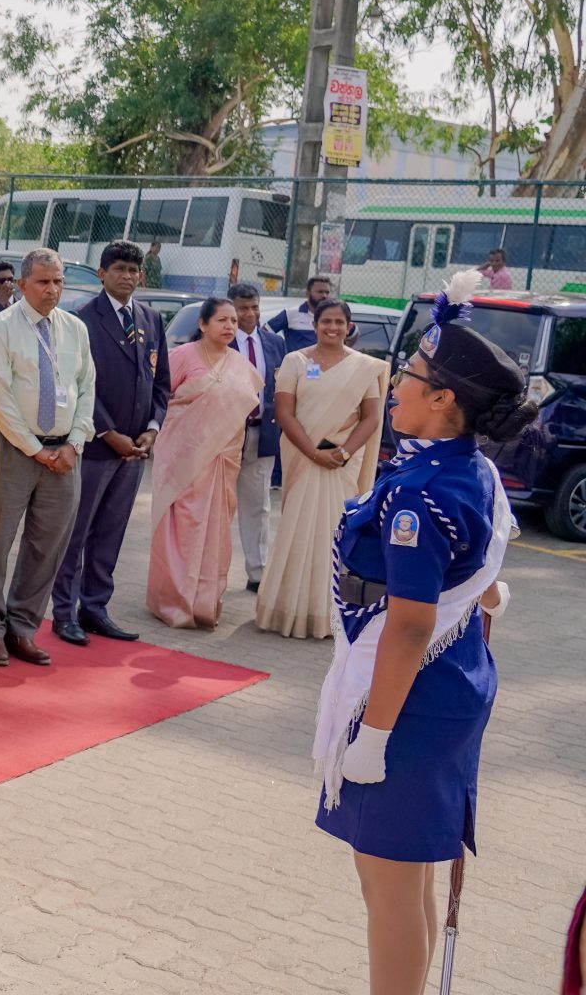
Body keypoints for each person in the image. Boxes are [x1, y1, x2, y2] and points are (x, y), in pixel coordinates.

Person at [312, 271, 530, 995]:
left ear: (444, 400)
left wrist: (373, 735)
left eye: (410, 373)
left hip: (409, 698)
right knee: (409, 871)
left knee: (389, 880)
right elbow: (475, 575)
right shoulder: (467, 470)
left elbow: (408, 625)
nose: (397, 382)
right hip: (450, 684)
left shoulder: (419, 490)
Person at [0, 248, 95, 668]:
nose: (52, 289)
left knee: (49, 544)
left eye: (58, 281)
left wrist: (74, 442)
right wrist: (35, 449)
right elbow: (0, 398)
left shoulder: (75, 329)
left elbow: (87, 388)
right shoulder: (0, 328)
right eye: (43, 282)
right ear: (21, 285)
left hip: (65, 452)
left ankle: (22, 627)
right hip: (13, 447)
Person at [50, 241, 169, 646]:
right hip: (96, 446)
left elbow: (161, 383)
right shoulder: (80, 319)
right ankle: (63, 611)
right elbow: (78, 382)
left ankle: (95, 607)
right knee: (76, 531)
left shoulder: (152, 319)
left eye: (134, 270)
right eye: (118, 268)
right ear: (101, 273)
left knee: (111, 532)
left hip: (135, 451)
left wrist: (152, 428)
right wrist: (108, 432)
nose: (127, 276)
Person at [257, 299, 387, 638]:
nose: (332, 327)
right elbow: (284, 413)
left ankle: (330, 615)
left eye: (339, 322)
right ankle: (286, 610)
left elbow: (371, 417)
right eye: (326, 321)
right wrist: (314, 453)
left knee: (335, 533)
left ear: (349, 326)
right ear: (314, 325)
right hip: (304, 458)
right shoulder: (296, 361)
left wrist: (344, 452)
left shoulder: (364, 366)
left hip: (342, 465)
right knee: (298, 531)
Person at [145, 297, 262, 630]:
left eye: (233, 322)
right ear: (202, 324)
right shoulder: (182, 356)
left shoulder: (239, 364)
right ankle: (173, 600)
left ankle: (205, 600)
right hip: (184, 460)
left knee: (215, 530)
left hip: (224, 460)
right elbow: (159, 399)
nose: (229, 327)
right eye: (221, 320)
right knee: (182, 527)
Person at [229, 283, 286, 593]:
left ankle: (257, 573)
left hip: (262, 434)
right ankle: (210, 571)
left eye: (254, 307)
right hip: (224, 436)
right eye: (242, 308)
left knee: (259, 505)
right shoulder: (219, 339)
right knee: (217, 506)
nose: (249, 314)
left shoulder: (275, 343)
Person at [268, 275, 335, 354]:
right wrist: (279, 354)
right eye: (320, 292)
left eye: (327, 292)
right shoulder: (291, 314)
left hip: (328, 365)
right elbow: (264, 334)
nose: (324, 295)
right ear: (307, 293)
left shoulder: (334, 316)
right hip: (297, 365)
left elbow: (351, 334)